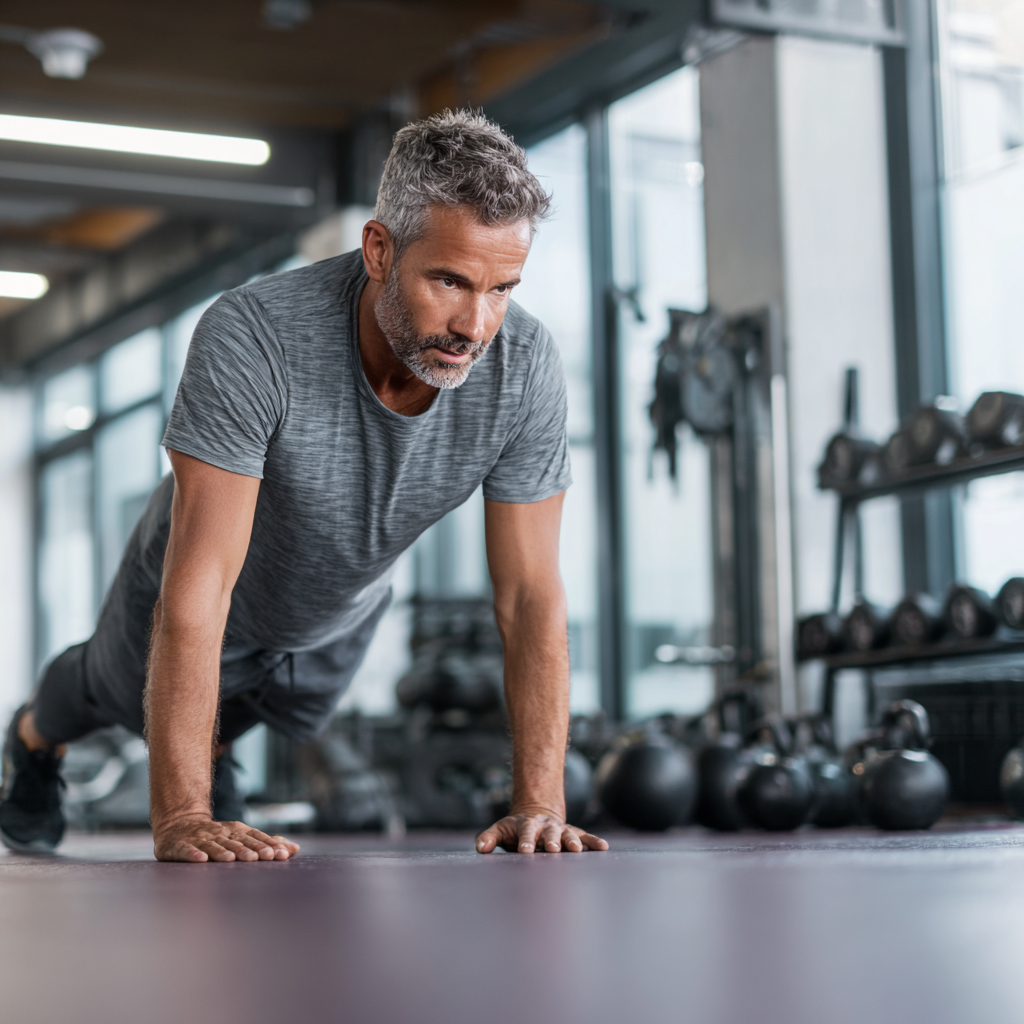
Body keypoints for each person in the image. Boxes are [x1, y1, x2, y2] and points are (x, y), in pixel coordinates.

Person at [0, 110, 609, 863]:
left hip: (332, 614)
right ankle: (30, 743)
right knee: (100, 691)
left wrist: (541, 804)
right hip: (200, 588)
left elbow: (530, 596)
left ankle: (213, 758)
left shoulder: (524, 367)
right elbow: (202, 588)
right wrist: (181, 816)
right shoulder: (255, 335)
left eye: (502, 289)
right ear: (380, 250)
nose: (475, 325)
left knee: (244, 714)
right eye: (449, 281)